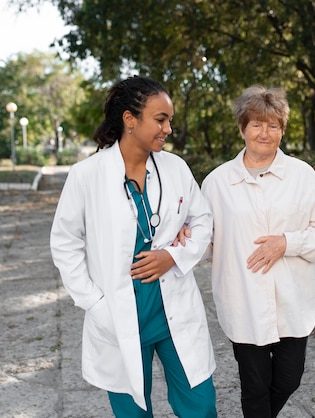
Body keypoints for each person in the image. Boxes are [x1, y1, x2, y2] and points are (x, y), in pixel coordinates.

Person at [50, 76, 217, 417]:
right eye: (160, 119)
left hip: (173, 312)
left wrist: (172, 255)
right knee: (132, 413)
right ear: (130, 119)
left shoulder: (175, 167)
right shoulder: (87, 175)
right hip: (117, 313)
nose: (168, 128)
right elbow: (65, 242)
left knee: (200, 405)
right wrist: (94, 303)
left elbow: (202, 220)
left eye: (169, 120)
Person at [201, 85, 315, 417]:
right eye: (257, 124)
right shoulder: (217, 182)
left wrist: (287, 243)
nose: (265, 133)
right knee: (254, 386)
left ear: (282, 130)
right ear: (243, 128)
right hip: (242, 300)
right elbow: (203, 241)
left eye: (273, 125)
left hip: (292, 301)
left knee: (289, 379)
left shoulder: (303, 177)